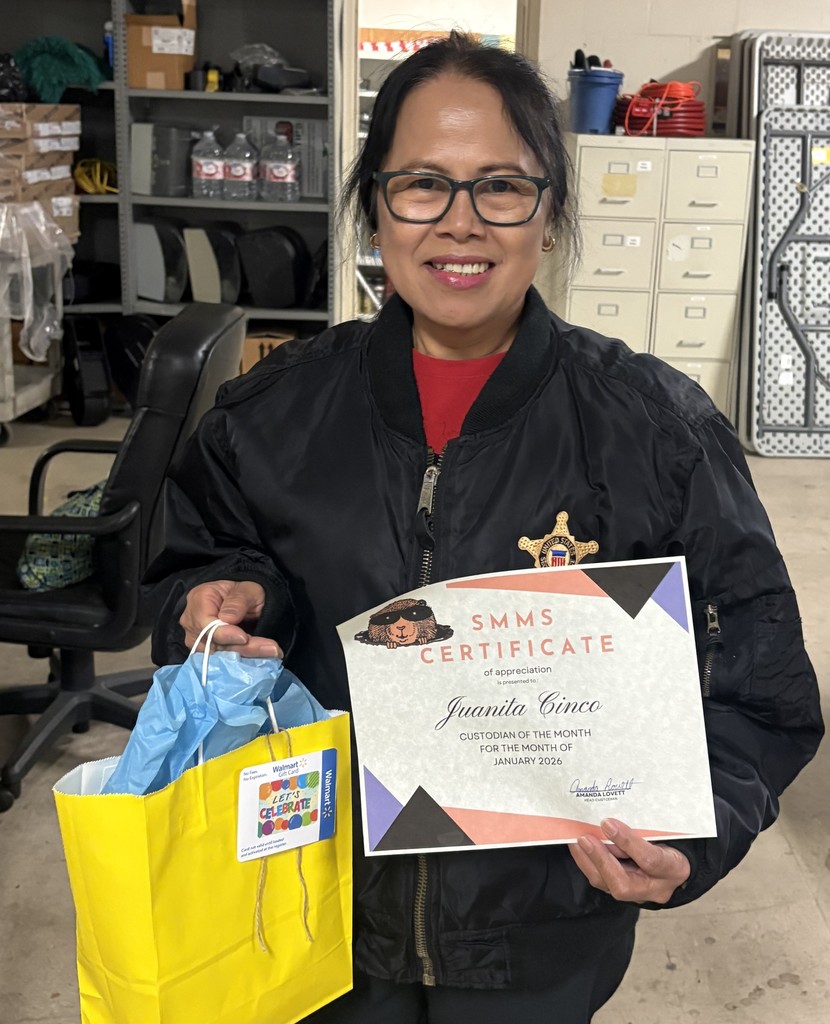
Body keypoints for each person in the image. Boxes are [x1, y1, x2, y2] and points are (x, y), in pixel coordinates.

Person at [145, 32, 823, 1024]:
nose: (459, 224)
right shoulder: (269, 417)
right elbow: (195, 572)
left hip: (541, 933)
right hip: (315, 908)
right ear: (375, 203)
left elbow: (758, 686)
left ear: (547, 212)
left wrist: (698, 832)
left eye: (500, 186)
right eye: (421, 183)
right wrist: (218, 605)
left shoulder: (655, 433)